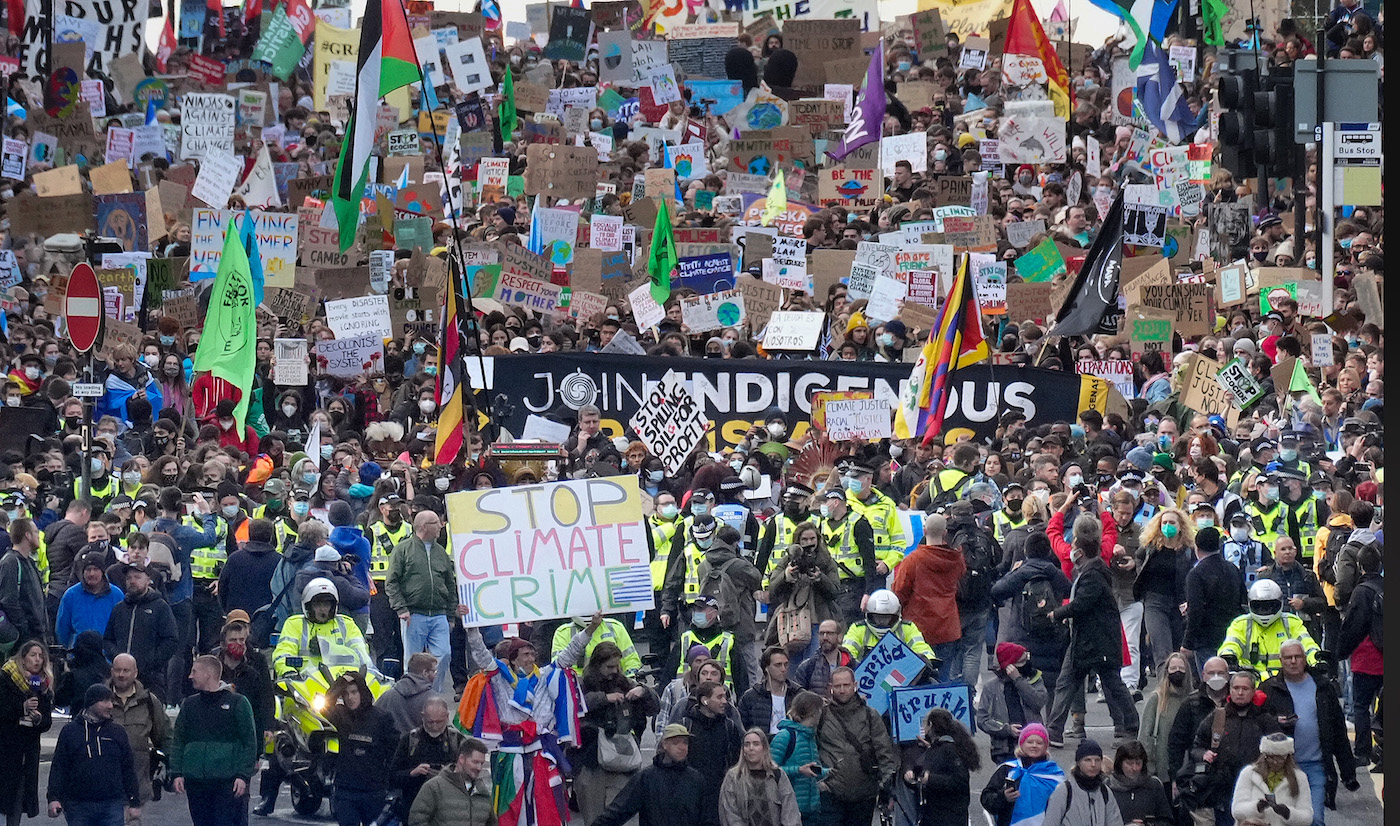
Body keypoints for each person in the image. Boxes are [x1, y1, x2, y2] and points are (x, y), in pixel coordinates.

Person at [460, 616, 599, 826]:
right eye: (526, 654)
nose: (531, 658)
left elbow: (570, 653)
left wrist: (591, 628)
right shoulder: (499, 677)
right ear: (514, 659)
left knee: (546, 805)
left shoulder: (545, 676)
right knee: (511, 808)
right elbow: (480, 652)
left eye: (533, 653)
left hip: (541, 751)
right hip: (509, 754)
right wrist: (471, 626)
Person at [1042, 514, 1140, 748]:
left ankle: (1129, 726)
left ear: (1081, 551)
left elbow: (1082, 603)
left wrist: (1058, 613)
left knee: (1110, 685)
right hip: (1089, 640)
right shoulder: (1092, 570)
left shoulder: (1092, 574)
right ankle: (1054, 730)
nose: (1072, 552)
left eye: (1074, 547)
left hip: (1096, 641)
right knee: (1074, 683)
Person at [1259, 640, 1358, 826]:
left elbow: (1338, 730)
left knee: (1315, 819)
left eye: (1298, 657)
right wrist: (1275, 722)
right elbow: (1255, 726)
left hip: (1316, 767)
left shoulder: (1323, 687)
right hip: (1281, 767)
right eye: (1288, 657)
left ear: (1305, 659)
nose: (1293, 661)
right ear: (1281, 661)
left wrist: (1348, 772)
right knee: (1283, 820)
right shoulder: (1268, 689)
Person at [573, 641, 659, 825]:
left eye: (617, 666)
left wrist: (643, 691)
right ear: (597, 665)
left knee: (620, 817)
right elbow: (575, 706)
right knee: (594, 818)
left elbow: (654, 707)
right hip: (591, 762)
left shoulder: (625, 683)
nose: (614, 671)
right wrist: (604, 699)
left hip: (622, 760)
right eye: (609, 667)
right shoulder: (582, 684)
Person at [990, 531, 1071, 716]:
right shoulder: (1054, 573)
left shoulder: (1022, 573)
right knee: (1052, 683)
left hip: (1023, 636)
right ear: (1048, 552)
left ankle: (1029, 726)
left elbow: (997, 591)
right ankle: (1052, 727)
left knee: (1023, 682)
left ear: (1026, 551)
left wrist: (1013, 572)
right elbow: (1070, 591)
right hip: (1052, 635)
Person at [170, 656, 258, 826]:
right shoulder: (189, 705)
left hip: (228, 783)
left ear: (208, 674)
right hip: (196, 783)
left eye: (194, 671)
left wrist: (243, 775)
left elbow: (249, 741)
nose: (190, 676)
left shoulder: (238, 703)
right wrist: (177, 772)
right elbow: (178, 740)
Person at [1187, 670, 1280, 826]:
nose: (1240, 692)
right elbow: (1197, 746)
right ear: (1229, 690)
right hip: (1223, 791)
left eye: (1245, 688)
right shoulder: (1217, 718)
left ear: (1253, 691)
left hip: (1256, 789)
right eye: (1236, 688)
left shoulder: (1264, 720)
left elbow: (1281, 752)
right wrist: (1204, 754)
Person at [386, 510, 461, 695]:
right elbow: (392, 581)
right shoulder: (403, 550)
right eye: (436, 522)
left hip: (439, 614)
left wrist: (450, 614)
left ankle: (431, 695)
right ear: (423, 527)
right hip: (413, 614)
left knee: (444, 655)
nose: (440, 526)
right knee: (412, 661)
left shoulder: (440, 552)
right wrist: (401, 608)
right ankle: (411, 696)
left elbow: (450, 584)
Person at [46, 683, 142, 826]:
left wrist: (134, 801)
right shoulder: (70, 732)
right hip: (78, 805)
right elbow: (59, 767)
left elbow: (127, 768)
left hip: (112, 804)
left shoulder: (117, 732)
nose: (110, 705)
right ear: (91, 703)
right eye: (104, 701)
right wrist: (53, 798)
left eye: (111, 701)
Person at [813, 667, 896, 826]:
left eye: (846, 685)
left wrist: (886, 787)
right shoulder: (821, 715)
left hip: (863, 795)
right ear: (831, 687)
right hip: (830, 793)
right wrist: (819, 782)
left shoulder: (870, 716)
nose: (842, 690)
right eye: (837, 686)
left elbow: (884, 753)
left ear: (855, 685)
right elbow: (810, 749)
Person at [591, 724, 707, 826]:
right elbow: (619, 811)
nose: (682, 747)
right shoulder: (646, 778)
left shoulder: (696, 779)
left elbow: (706, 817)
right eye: (676, 743)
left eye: (685, 742)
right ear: (664, 744)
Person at [325, 670, 399, 826]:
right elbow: (325, 705)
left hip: (373, 791)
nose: (350, 698)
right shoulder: (340, 716)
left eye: (354, 692)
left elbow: (394, 752)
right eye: (345, 694)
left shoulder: (382, 718)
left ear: (362, 692)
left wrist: (387, 781)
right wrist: (340, 683)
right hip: (345, 790)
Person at [890, 513, 966, 663]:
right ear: (945, 532)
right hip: (948, 627)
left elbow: (899, 592)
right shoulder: (956, 559)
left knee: (917, 677)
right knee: (943, 678)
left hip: (918, 627)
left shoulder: (913, 560)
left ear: (924, 531)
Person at [106, 654, 171, 822]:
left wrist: (169, 770)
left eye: (126, 670)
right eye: (117, 670)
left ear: (135, 673)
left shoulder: (149, 701)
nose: (121, 674)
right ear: (111, 671)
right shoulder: (99, 699)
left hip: (136, 788)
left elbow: (165, 737)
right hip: (102, 789)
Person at [1335, 543, 1383, 770]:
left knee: (1362, 705)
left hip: (1366, 657)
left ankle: (1363, 751)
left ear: (1360, 567)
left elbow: (1353, 626)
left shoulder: (1361, 592)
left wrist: (1341, 651)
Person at [103, 565, 180, 704]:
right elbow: (108, 639)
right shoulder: (119, 609)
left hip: (151, 679)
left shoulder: (160, 607)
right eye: (129, 578)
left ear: (148, 580)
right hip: (120, 679)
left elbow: (171, 640)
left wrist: (150, 662)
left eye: (137, 577)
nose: (132, 581)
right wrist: (118, 657)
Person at [763, 521, 840, 661]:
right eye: (804, 539)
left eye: (812, 539)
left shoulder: (826, 560)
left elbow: (835, 591)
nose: (809, 543)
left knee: (814, 663)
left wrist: (820, 578)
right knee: (793, 666)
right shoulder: (787, 560)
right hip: (792, 622)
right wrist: (787, 576)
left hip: (818, 619)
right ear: (798, 540)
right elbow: (773, 590)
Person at [271, 578, 375, 678]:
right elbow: (283, 653)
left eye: (326, 604)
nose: (322, 609)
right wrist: (289, 672)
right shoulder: (295, 624)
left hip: (344, 682)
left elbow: (362, 655)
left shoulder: (346, 624)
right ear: (308, 605)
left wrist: (328, 648)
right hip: (304, 683)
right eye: (317, 604)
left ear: (333, 606)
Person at [1218, 580, 1321, 678]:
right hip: (1251, 683)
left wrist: (1317, 658)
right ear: (1250, 604)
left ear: (1280, 603)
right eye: (1258, 606)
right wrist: (1228, 655)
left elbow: (1306, 643)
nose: (1264, 611)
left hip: (1285, 683)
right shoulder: (1240, 624)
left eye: (1270, 606)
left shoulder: (1291, 622)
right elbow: (1231, 643)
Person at [0, 640, 53, 826]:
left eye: (41, 656)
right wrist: (21, 707)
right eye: (33, 655)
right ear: (23, 659)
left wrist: (38, 718)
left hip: (28, 751)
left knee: (18, 796)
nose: (37, 660)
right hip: (6, 747)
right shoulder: (6, 678)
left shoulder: (43, 684)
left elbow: (47, 720)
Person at [679, 679, 745, 824]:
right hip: (690, 798)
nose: (725, 701)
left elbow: (735, 761)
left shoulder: (729, 727)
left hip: (720, 797)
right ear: (705, 700)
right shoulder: (686, 725)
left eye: (725, 697)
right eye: (719, 697)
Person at [1184, 527, 1247, 671]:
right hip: (1232, 635)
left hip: (1206, 639)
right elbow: (1242, 600)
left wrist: (1187, 643)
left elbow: (1196, 611)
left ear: (1197, 547)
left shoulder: (1196, 573)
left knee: (1211, 681)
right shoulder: (1232, 568)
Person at [906, 707, 980, 826]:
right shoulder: (934, 749)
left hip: (950, 816)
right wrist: (912, 778)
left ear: (930, 725)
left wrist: (930, 779)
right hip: (933, 815)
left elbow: (960, 782)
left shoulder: (951, 750)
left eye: (925, 724)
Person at [975, 642, 1048, 764]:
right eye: (1022, 661)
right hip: (1004, 749)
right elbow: (983, 719)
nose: (1027, 664)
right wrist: (1006, 729)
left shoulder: (1034, 679)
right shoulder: (991, 688)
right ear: (1010, 667)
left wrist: (1018, 680)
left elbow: (1038, 702)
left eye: (1027, 658)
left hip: (1033, 745)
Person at [979, 724, 1066, 826]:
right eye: (1029, 742)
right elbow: (986, 798)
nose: (1034, 745)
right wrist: (1003, 797)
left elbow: (1065, 804)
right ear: (1021, 744)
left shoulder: (1055, 774)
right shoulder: (1007, 769)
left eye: (1039, 743)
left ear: (1046, 746)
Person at [718, 728, 802, 826]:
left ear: (764, 748)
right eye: (747, 744)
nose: (751, 748)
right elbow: (729, 814)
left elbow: (790, 811)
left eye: (756, 744)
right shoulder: (733, 777)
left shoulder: (777, 775)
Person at [406, 737, 497, 826]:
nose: (479, 768)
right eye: (475, 762)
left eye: (481, 763)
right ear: (461, 758)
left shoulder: (483, 792)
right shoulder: (434, 787)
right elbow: (416, 820)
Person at [1229, 734, 1314, 826]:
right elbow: (1236, 810)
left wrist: (1287, 813)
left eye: (1280, 758)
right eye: (1271, 757)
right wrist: (1257, 807)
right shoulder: (1248, 773)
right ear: (1264, 755)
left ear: (1287, 757)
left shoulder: (1299, 777)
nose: (1275, 762)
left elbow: (1307, 817)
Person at [768, 691, 825, 826]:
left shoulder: (810, 737)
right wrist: (798, 770)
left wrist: (829, 773)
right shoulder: (786, 736)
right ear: (813, 712)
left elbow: (812, 770)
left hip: (811, 810)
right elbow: (770, 770)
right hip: (790, 810)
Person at [1137, 651, 1194, 783]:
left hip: (1187, 768)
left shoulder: (1192, 699)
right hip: (1160, 770)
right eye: (1173, 668)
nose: (1177, 671)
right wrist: (1149, 765)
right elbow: (1144, 736)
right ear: (1167, 671)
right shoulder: (1156, 698)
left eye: (1181, 668)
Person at [841, 589, 937, 664]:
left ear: (896, 615)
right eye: (877, 617)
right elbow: (848, 650)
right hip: (866, 681)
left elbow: (920, 646)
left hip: (903, 677)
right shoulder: (858, 628)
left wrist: (929, 660)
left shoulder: (908, 627)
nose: (882, 622)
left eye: (887, 618)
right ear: (869, 615)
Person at [1042, 740, 1124, 826]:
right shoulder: (1064, 792)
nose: (1093, 764)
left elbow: (1115, 822)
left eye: (1097, 760)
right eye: (1087, 760)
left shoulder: (1105, 792)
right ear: (1078, 763)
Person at [57, 552, 126, 649]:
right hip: (79, 656)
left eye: (96, 569)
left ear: (102, 571)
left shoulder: (116, 595)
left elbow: (122, 628)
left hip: (107, 657)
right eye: (88, 570)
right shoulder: (71, 595)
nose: (91, 573)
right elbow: (62, 629)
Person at [0, 519, 45, 647]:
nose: (38, 535)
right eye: (35, 532)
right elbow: (9, 600)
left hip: (34, 638)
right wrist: (25, 633)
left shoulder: (29, 562)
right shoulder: (10, 562)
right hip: (23, 642)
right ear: (27, 535)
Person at [1107, 740, 1173, 826]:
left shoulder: (1154, 785)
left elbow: (1166, 820)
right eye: (1129, 763)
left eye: (1138, 763)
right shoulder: (1108, 787)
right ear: (1120, 763)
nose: (1134, 768)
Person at [377, 652, 443, 736]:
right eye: (434, 671)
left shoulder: (389, 695)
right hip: (421, 747)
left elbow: (373, 718)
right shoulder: (433, 699)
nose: (436, 675)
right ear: (425, 672)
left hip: (392, 746)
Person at [737, 646, 800, 734]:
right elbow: (742, 728)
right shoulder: (751, 697)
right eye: (778, 665)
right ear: (766, 668)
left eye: (786, 664)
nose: (783, 669)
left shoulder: (798, 694)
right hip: (763, 744)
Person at [791, 620, 852, 695]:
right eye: (821, 633)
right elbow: (797, 697)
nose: (825, 637)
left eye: (829, 633)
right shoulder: (807, 667)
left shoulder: (852, 664)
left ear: (839, 637)